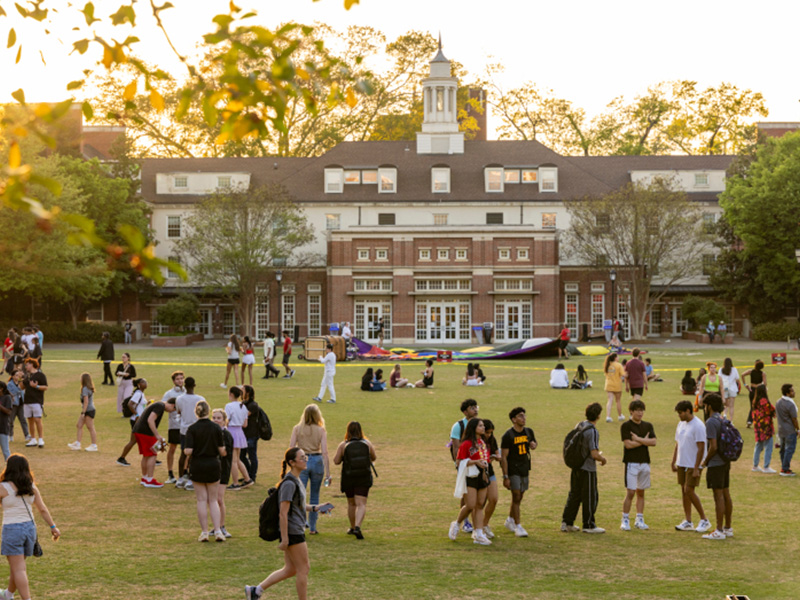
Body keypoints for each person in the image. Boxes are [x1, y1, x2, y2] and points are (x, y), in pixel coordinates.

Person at [244, 447, 332, 600]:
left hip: (294, 529)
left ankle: (255, 591)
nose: (306, 460)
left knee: (290, 569)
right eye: (302, 458)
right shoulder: (289, 483)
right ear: (292, 462)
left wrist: (316, 508)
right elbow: (282, 513)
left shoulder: (296, 480)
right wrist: (285, 539)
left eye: (305, 457)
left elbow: (297, 506)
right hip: (292, 531)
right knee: (304, 569)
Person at [0, 454, 60, 600]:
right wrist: (53, 527)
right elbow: (42, 509)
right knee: (17, 566)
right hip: (30, 529)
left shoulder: (3, 487)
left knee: (19, 569)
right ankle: (8, 595)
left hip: (12, 529)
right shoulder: (31, 486)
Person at [184, 399, 227, 542]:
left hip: (197, 464)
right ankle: (218, 530)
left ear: (196, 412)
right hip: (213, 464)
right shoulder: (215, 428)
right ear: (208, 412)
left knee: (201, 500)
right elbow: (221, 451)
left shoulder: (192, 429)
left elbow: (188, 451)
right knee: (213, 500)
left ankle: (204, 532)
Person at [561, 402, 607, 534]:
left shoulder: (580, 425)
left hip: (576, 465)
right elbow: (594, 453)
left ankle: (567, 522)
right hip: (588, 469)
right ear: (598, 416)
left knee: (574, 494)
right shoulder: (592, 431)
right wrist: (602, 459)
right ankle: (589, 524)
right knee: (590, 496)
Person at [289, 405, 330, 535]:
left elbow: (291, 448)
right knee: (315, 495)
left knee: (301, 494)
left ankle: (301, 523)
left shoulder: (297, 429)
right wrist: (328, 473)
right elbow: (325, 452)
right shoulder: (321, 430)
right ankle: (313, 527)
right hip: (317, 460)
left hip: (302, 460)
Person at [450, 418, 492, 545]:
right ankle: (456, 524)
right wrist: (475, 462)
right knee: (470, 505)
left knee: (480, 505)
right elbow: (459, 461)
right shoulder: (466, 444)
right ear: (474, 428)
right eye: (480, 426)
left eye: (483, 426)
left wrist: (486, 472)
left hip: (482, 476)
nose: (483, 428)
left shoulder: (483, 442)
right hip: (471, 476)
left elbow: (485, 459)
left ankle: (478, 533)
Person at [671, 400, 711, 533]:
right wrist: (674, 461)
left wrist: (696, 468)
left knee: (689, 490)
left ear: (688, 411)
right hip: (682, 462)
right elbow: (678, 443)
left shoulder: (698, 426)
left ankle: (704, 520)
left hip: (693, 463)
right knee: (684, 490)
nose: (679, 416)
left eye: (680, 413)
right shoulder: (681, 424)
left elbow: (701, 448)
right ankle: (688, 521)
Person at [333, 421, 376, 540]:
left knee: (351, 503)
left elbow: (336, 461)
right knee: (361, 504)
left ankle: (352, 527)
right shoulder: (367, 443)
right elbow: (374, 457)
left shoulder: (343, 444)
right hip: (363, 476)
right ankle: (358, 526)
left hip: (349, 477)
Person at [699, 393, 733, 540]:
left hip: (716, 463)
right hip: (725, 461)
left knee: (718, 496)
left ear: (709, 406)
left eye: (705, 406)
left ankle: (718, 530)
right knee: (726, 494)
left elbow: (713, 446)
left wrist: (705, 461)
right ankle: (727, 527)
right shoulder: (722, 418)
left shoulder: (711, 422)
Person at [500, 407, 537, 538]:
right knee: (516, 496)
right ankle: (518, 526)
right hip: (513, 469)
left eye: (524, 416)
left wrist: (533, 445)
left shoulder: (528, 432)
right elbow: (503, 457)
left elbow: (533, 443)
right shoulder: (508, 435)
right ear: (514, 419)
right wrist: (505, 476)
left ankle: (510, 520)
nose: (524, 418)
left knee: (520, 496)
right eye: (520, 416)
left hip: (524, 468)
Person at [619, 400, 656, 531]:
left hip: (645, 463)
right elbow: (628, 445)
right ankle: (625, 519)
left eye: (642, 410)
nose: (640, 413)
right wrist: (644, 440)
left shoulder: (648, 425)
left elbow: (654, 442)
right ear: (631, 411)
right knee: (631, 492)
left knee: (641, 492)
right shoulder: (626, 426)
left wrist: (639, 439)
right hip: (631, 463)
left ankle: (639, 519)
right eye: (638, 410)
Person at [133, 396, 177, 488]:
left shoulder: (158, 404)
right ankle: (149, 479)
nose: (171, 411)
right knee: (153, 454)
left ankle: (144, 478)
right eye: (174, 409)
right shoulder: (160, 406)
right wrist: (157, 435)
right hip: (146, 432)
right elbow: (150, 420)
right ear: (173, 405)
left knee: (146, 455)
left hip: (138, 430)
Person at [449, 399, 478, 534]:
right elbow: (456, 447)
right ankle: (465, 521)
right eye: (472, 408)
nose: (475, 410)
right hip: (465, 463)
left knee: (473, 493)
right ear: (465, 412)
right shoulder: (458, 426)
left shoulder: (479, 424)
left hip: (478, 463)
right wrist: (459, 464)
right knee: (466, 493)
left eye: (476, 407)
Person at [175, 377, 204, 490]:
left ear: (185, 386)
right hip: (197, 429)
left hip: (184, 430)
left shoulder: (179, 399)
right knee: (194, 455)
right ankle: (191, 479)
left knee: (183, 454)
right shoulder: (200, 399)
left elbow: (179, 412)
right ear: (194, 385)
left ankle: (181, 479)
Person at [224, 386, 254, 490]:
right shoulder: (243, 406)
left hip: (232, 431)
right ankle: (247, 479)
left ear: (231, 394)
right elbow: (245, 424)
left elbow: (226, 421)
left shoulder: (229, 406)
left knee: (233, 460)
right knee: (237, 459)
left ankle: (235, 483)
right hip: (240, 432)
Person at [211, 409, 234, 537]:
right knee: (212, 499)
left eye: (218, 418)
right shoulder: (213, 433)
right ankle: (216, 527)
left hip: (223, 470)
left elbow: (226, 454)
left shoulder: (226, 435)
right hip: (213, 469)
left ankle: (222, 526)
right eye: (214, 418)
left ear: (224, 420)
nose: (215, 420)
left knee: (219, 499)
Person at [116, 378, 148, 467]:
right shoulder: (138, 394)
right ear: (139, 384)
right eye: (144, 382)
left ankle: (122, 458)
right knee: (146, 438)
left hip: (139, 420)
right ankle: (151, 457)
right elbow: (130, 404)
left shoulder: (141, 393)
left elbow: (139, 405)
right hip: (137, 420)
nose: (146, 383)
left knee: (135, 440)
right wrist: (137, 415)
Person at [162, 371, 186, 484]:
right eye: (178, 379)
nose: (180, 381)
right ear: (173, 381)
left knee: (186, 450)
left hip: (186, 425)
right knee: (172, 448)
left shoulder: (187, 391)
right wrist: (175, 408)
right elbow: (164, 407)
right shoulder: (169, 393)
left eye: (182, 378)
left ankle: (185, 472)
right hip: (174, 425)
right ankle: (170, 473)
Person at [67, 373, 98, 452]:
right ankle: (78, 444)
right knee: (79, 425)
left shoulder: (85, 389)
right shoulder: (87, 388)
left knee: (90, 427)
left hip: (88, 410)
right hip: (87, 410)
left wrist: (83, 412)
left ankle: (94, 445)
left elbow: (86, 402)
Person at [480, 419, 500, 540]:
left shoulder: (491, 439)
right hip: (478, 473)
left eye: (491, 432)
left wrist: (496, 456)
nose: (489, 435)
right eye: (487, 432)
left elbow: (498, 454)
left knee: (493, 499)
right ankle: (474, 525)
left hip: (489, 471)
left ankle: (484, 524)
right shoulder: (476, 442)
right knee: (478, 502)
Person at [751, 384, 777, 474]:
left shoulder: (755, 401)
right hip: (766, 426)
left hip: (758, 426)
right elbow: (772, 410)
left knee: (758, 446)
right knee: (768, 446)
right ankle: (766, 466)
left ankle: (755, 465)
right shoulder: (764, 401)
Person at [21, 359, 46, 449]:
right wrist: (21, 379)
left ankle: (40, 439)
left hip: (37, 401)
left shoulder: (40, 375)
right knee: (30, 420)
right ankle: (33, 439)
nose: (26, 367)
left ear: (32, 365)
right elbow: (22, 387)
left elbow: (45, 387)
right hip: (27, 401)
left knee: (37, 419)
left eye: (27, 365)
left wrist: (37, 386)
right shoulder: (27, 376)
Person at [776, 383, 798, 476]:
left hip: (781, 430)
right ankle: (785, 469)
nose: (794, 392)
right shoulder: (790, 404)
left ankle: (784, 467)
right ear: (787, 393)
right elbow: (794, 419)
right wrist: (798, 429)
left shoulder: (778, 402)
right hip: (790, 430)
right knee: (789, 449)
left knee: (783, 450)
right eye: (792, 391)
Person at [240, 385, 261, 484]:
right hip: (244, 434)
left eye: (242, 390)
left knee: (252, 456)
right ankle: (247, 475)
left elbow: (243, 415)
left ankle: (252, 476)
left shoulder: (253, 405)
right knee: (241, 456)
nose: (240, 392)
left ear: (247, 393)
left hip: (251, 434)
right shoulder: (243, 403)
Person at [742, 359, 767, 428]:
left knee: (752, 405)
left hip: (752, 389)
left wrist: (745, 384)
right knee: (759, 406)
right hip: (759, 390)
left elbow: (742, 374)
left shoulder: (751, 371)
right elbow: (765, 384)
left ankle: (750, 420)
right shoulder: (763, 374)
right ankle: (756, 421)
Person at [6, 371, 28, 444]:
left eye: (18, 375)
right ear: (12, 376)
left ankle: (27, 435)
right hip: (13, 405)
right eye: (16, 375)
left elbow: (23, 391)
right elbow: (13, 392)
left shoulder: (20, 383)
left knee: (23, 420)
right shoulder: (10, 384)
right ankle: (10, 435)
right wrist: (20, 387)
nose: (17, 377)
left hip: (20, 404)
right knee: (11, 421)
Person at [603, 353, 624, 423]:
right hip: (617, 384)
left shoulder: (607, 365)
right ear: (615, 358)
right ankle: (620, 415)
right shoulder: (619, 365)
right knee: (618, 400)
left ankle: (608, 416)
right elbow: (623, 374)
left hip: (609, 384)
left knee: (610, 400)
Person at [719, 357, 741, 423]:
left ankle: (724, 415)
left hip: (724, 388)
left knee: (726, 404)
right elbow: (737, 379)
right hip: (733, 388)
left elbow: (719, 378)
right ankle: (731, 420)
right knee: (731, 406)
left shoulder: (721, 369)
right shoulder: (734, 370)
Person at [0, 384, 11, 461]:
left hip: (2, 428)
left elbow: (8, 411)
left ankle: (10, 469)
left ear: (1, 389)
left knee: (6, 451)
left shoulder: (7, 398)